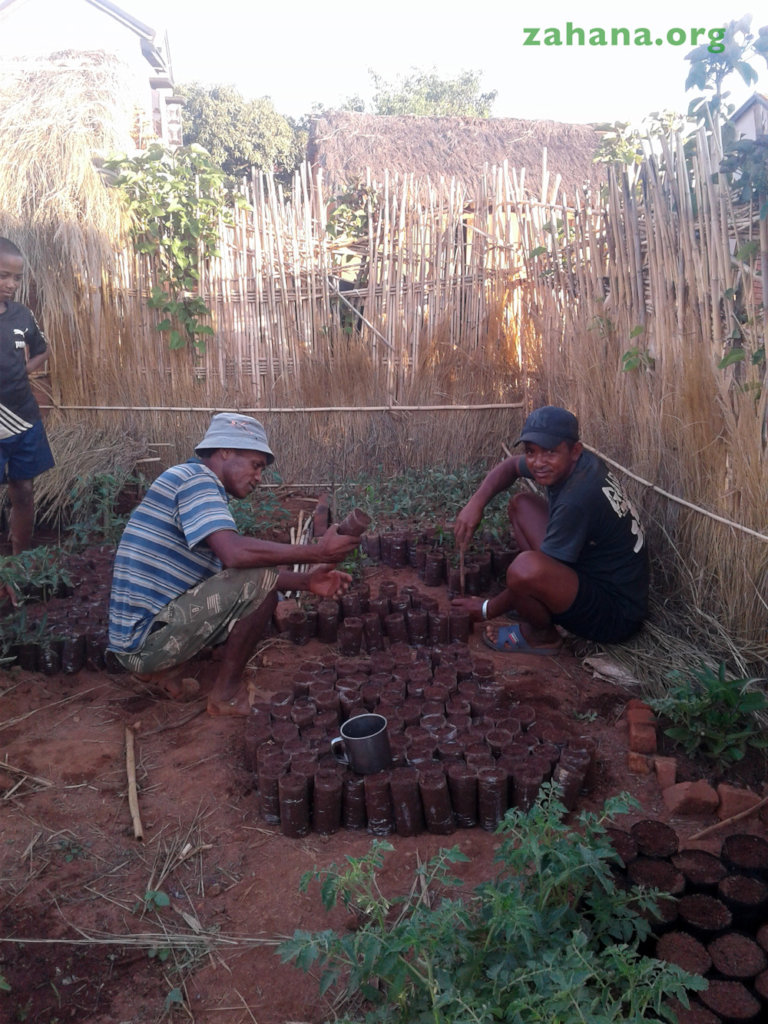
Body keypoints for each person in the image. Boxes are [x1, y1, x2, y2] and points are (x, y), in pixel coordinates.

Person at [108, 413, 360, 715]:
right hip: (146, 642)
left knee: (255, 577)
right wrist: (318, 552)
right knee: (259, 581)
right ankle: (226, 695)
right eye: (256, 465)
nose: (258, 478)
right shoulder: (197, 481)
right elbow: (237, 557)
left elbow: (232, 573)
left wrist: (305, 582)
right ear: (225, 451)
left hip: (135, 641)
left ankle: (160, 670)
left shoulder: (190, 483)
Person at [452, 405, 648, 654]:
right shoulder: (582, 464)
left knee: (524, 570)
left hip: (615, 614)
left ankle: (541, 635)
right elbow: (512, 466)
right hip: (594, 570)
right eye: (531, 452)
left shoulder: (577, 499)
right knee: (521, 505)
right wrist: (475, 503)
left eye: (550, 452)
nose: (538, 462)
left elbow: (532, 572)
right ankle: (536, 603)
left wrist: (486, 609)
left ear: (574, 450)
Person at [0, 237, 55, 554]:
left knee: (23, 489)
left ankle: (21, 560)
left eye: (17, 278)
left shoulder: (22, 316)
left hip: (23, 418)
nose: (11, 284)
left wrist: (24, 370)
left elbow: (43, 351)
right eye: (3, 275)